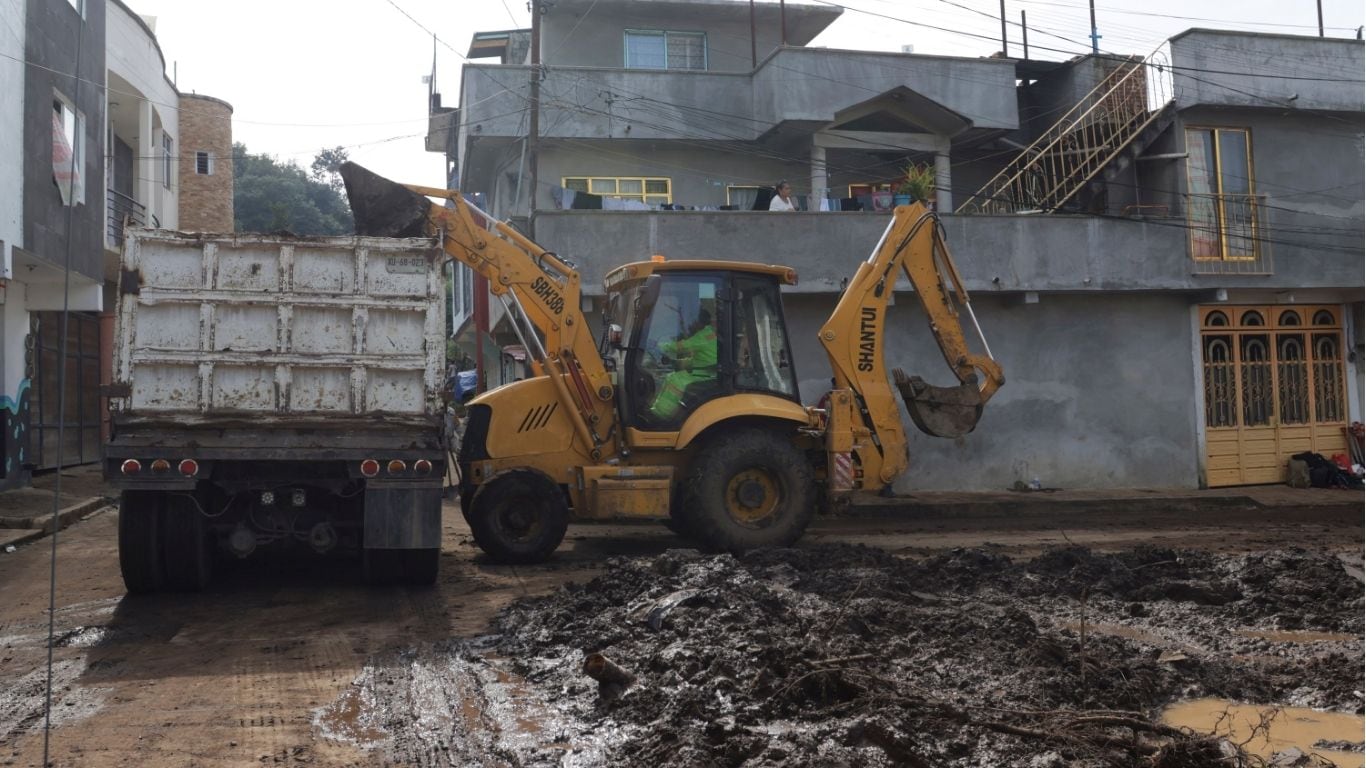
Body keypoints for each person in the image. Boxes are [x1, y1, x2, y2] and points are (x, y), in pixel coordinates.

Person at [649, 309, 719, 421]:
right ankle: (657, 409)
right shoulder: (708, 333)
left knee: (675, 379)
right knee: (669, 376)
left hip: (707, 374)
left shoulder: (703, 336)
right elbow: (702, 359)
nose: (690, 325)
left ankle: (661, 415)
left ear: (698, 322)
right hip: (707, 371)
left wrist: (658, 345)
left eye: (693, 321)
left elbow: (681, 347)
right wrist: (679, 362)